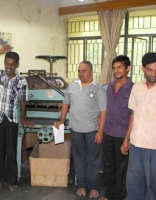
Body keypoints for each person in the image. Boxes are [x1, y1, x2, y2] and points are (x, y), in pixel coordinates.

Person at [0, 45, 34, 191]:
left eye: (12, 64)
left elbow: (23, 100)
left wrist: (23, 118)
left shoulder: (22, 81)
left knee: (11, 150)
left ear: (17, 65)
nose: (8, 66)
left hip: (11, 118)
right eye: (6, 63)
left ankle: (12, 181)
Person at [54, 61, 107, 199]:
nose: (81, 73)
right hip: (75, 129)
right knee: (79, 158)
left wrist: (100, 131)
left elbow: (103, 111)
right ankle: (82, 185)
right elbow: (65, 104)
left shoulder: (98, 88)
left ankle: (94, 187)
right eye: (79, 71)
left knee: (93, 160)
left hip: (92, 130)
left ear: (91, 72)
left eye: (84, 70)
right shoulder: (72, 86)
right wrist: (61, 120)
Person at [121, 52, 156, 200]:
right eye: (150, 69)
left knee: (153, 184)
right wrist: (126, 139)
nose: (153, 73)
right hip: (136, 144)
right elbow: (133, 115)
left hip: (153, 146)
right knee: (134, 182)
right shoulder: (137, 88)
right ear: (143, 68)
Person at [99, 55, 134, 200]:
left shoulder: (133, 88)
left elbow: (133, 115)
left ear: (128, 68)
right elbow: (105, 109)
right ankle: (108, 195)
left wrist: (127, 139)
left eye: (119, 67)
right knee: (108, 167)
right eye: (114, 68)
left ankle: (118, 197)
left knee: (121, 169)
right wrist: (100, 127)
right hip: (107, 132)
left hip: (122, 135)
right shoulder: (110, 86)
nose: (116, 70)